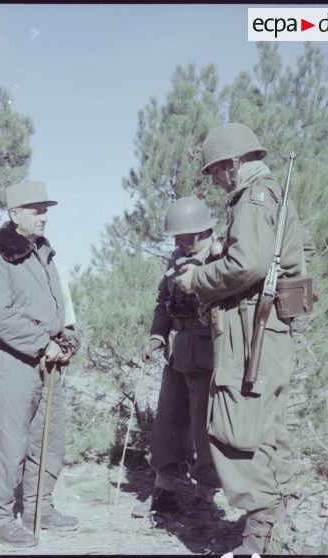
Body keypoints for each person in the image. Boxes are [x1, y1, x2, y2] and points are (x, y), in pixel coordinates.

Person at [175, 123, 305, 554]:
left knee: (237, 426)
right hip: (270, 331)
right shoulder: (268, 195)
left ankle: (256, 539)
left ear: (233, 164)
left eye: (215, 170)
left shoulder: (252, 199)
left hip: (252, 329)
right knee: (267, 425)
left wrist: (198, 278)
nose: (213, 179)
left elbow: (246, 265)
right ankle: (272, 528)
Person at [0, 181, 80, 547]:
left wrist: (68, 337)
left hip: (49, 360)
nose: (44, 217)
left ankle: (40, 507)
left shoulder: (44, 252)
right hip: (15, 359)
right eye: (35, 210)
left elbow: (59, 305)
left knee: (49, 442)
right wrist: (41, 344)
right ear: (14, 214)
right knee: (11, 443)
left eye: (45, 209)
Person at [132, 197, 221, 521]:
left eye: (182, 236)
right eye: (175, 237)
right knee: (167, 422)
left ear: (200, 232)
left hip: (209, 352)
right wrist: (158, 335)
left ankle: (204, 495)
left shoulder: (220, 257)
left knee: (204, 426)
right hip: (178, 351)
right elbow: (162, 300)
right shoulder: (175, 258)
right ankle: (164, 489)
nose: (177, 242)